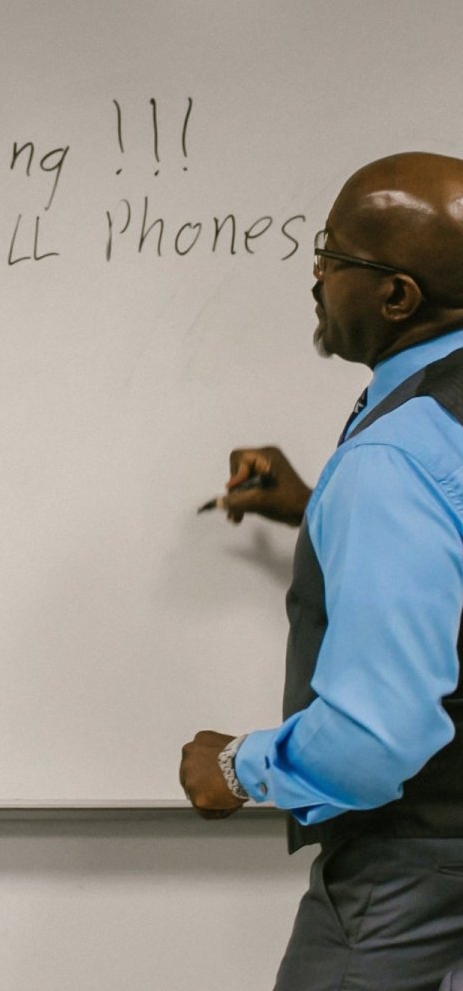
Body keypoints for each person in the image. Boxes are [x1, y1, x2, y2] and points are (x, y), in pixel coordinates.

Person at [179, 152, 463, 991]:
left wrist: (235, 767)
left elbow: (379, 738)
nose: (315, 276)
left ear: (396, 296)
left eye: (333, 257)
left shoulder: (395, 461)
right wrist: (315, 509)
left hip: (414, 866)